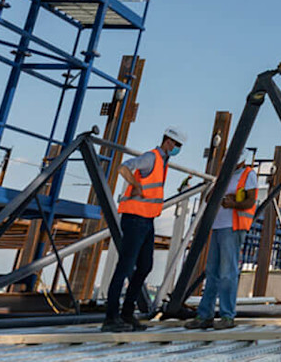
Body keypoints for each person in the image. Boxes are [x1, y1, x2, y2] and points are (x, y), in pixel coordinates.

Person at [103, 127, 185, 333]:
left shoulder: (163, 162)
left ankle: (127, 313)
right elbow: (124, 168)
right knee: (125, 267)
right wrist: (136, 186)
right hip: (134, 218)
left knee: (145, 265)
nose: (178, 150)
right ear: (168, 142)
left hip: (147, 221)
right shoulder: (152, 157)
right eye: (177, 145)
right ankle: (111, 317)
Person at [186, 156, 257, 330]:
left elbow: (250, 201)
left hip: (233, 226)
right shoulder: (225, 175)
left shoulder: (248, 174)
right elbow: (209, 198)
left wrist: (233, 203)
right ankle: (205, 315)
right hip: (218, 226)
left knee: (227, 272)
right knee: (212, 272)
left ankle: (227, 316)